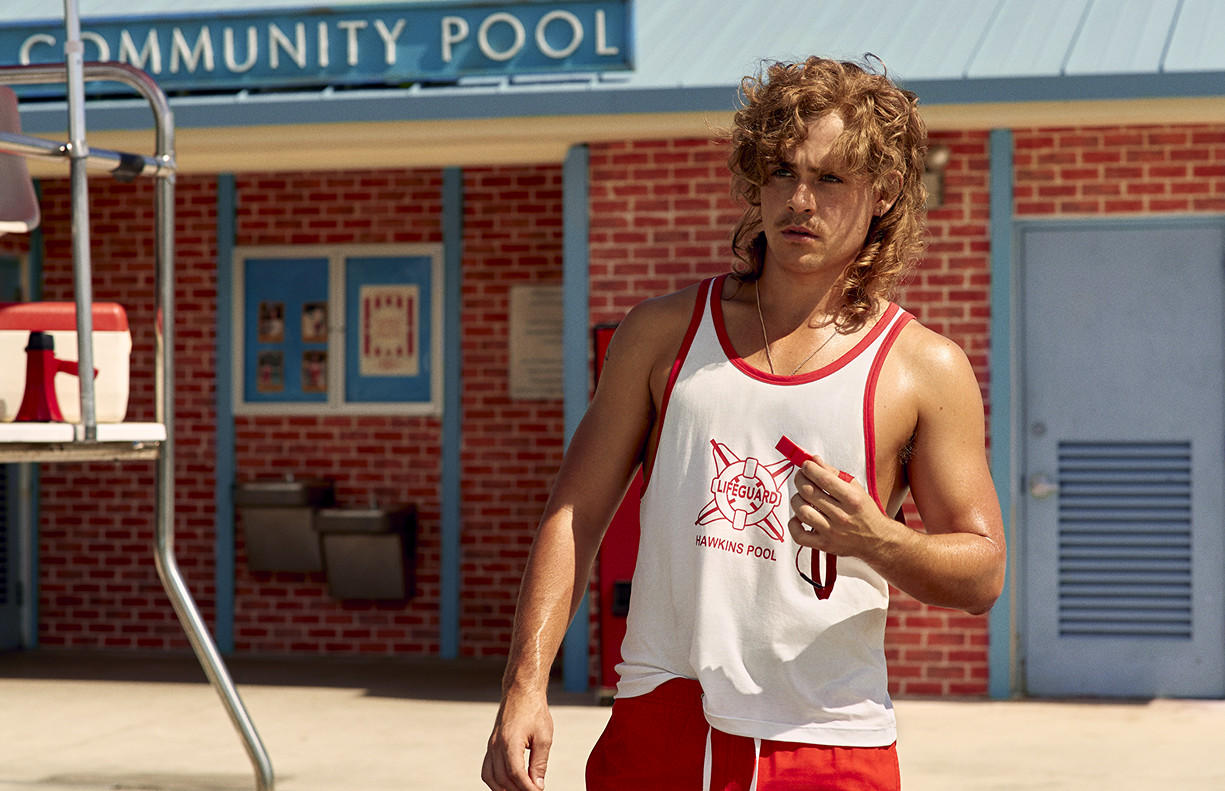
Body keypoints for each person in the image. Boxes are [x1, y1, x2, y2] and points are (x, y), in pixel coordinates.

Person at [481, 55, 1006, 791]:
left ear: (884, 192)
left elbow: (983, 573)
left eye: (831, 178)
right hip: (660, 715)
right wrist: (524, 684)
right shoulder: (660, 333)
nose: (800, 200)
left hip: (827, 738)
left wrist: (878, 540)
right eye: (782, 172)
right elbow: (575, 513)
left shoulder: (923, 367)